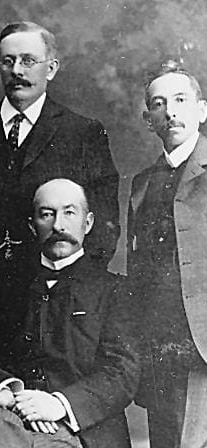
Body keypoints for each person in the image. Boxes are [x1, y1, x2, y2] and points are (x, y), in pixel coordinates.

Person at [0, 22, 119, 329]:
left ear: (51, 68)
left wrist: (72, 287)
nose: (17, 70)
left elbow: (103, 224)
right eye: (7, 62)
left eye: (28, 61)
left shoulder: (83, 133)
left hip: (53, 300)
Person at [0, 178, 138, 448]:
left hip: (84, 429)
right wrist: (13, 395)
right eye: (47, 214)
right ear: (33, 226)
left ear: (88, 223)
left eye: (69, 213)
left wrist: (59, 405)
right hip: (11, 422)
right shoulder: (5, 287)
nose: (58, 225)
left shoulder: (113, 290)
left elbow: (122, 372)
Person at [127, 63, 207, 448]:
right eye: (158, 104)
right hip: (160, 343)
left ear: (202, 110)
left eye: (180, 100)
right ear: (148, 120)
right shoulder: (143, 184)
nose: (170, 112)